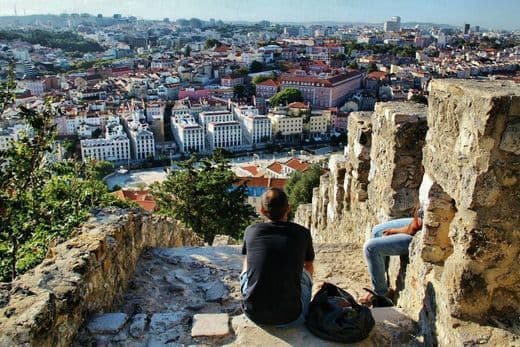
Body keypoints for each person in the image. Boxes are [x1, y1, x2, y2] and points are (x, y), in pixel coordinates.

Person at [240, 188, 315, 325]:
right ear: (288, 208)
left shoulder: (251, 231)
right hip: (293, 317)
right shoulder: (302, 233)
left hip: (254, 314)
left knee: (247, 259)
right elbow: (309, 265)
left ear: (262, 211)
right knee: (305, 273)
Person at [360, 207, 423, 305]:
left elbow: (414, 228)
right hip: (419, 220)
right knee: (377, 231)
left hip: (421, 233)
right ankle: (380, 283)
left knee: (370, 248)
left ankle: (381, 294)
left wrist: (396, 231)